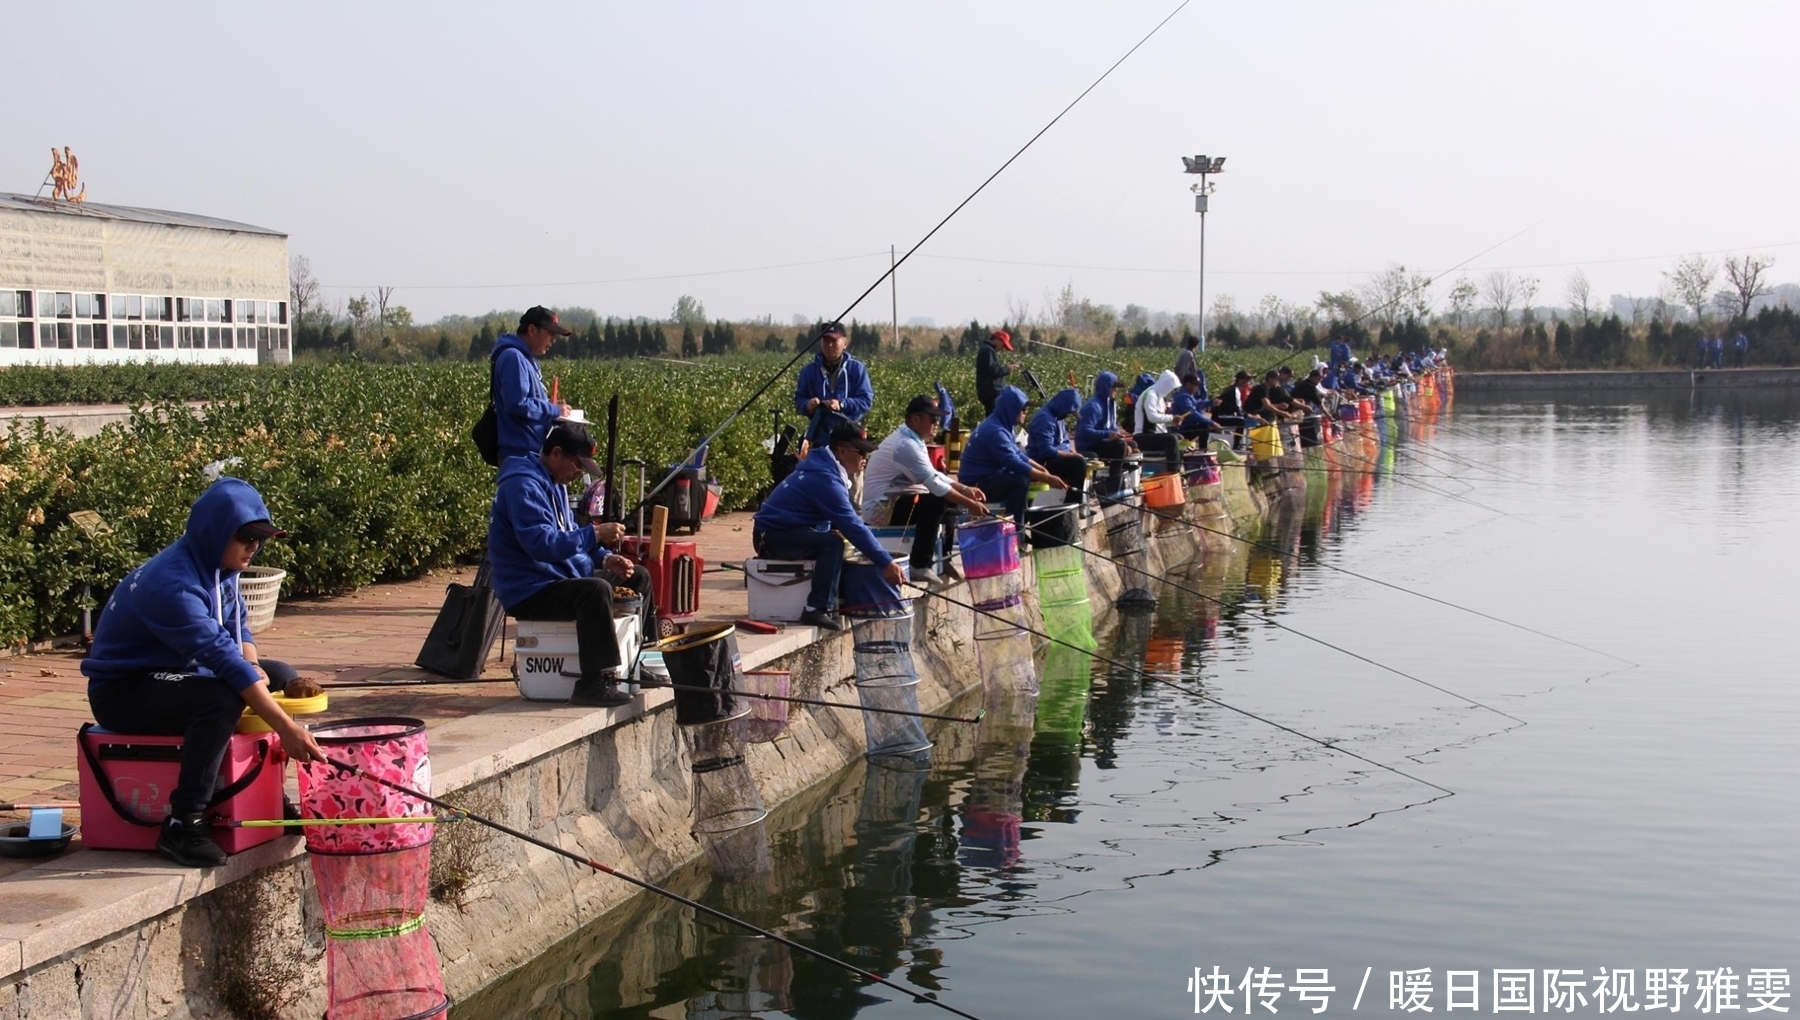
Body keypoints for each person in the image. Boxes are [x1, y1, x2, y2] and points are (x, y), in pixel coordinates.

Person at [81, 478, 327, 868]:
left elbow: (239, 631)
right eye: (246, 538)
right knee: (221, 699)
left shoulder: (219, 566)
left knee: (279, 674)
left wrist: (254, 665)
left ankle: (261, 792)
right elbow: (223, 661)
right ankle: (184, 821)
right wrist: (285, 728)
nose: (254, 547)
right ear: (215, 533)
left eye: (261, 539)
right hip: (124, 690)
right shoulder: (173, 586)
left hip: (179, 671)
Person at [490, 423, 654, 708]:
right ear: (556, 453)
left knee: (638, 577)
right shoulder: (522, 485)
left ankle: (639, 660)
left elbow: (569, 534)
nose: (579, 473)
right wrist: (595, 534)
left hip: (559, 576)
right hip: (530, 589)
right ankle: (593, 682)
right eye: (578, 465)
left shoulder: (556, 484)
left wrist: (604, 558)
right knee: (594, 591)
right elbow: (541, 544)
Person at [755, 422, 906, 630]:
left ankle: (836, 597)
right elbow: (852, 525)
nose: (865, 458)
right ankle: (815, 609)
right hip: (771, 537)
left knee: (836, 537)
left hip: (790, 531)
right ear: (842, 451)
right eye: (861, 452)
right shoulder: (825, 479)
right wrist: (885, 562)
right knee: (833, 544)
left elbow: (845, 521)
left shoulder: (825, 468)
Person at [862, 395, 989, 587]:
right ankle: (919, 564)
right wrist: (969, 503)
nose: (937, 423)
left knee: (950, 502)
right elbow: (935, 485)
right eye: (933, 418)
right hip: (880, 509)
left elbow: (935, 475)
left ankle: (944, 557)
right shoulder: (905, 445)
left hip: (899, 500)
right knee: (936, 500)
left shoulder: (915, 440)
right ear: (915, 419)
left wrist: (965, 490)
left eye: (938, 418)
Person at [958, 386, 1068, 521]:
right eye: (1023, 409)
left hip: (991, 477)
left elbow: (1018, 454)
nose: (1026, 412)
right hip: (975, 484)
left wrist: (1042, 471)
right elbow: (1013, 462)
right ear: (1011, 408)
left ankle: (1027, 518)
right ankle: (1015, 526)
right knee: (1020, 481)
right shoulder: (995, 431)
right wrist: (1047, 478)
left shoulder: (1004, 425)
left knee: (1029, 476)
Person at [491, 305, 574, 463]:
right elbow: (517, 404)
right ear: (532, 330)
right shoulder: (513, 358)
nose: (553, 340)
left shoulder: (524, 359)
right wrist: (554, 410)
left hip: (529, 452)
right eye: (550, 333)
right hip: (519, 455)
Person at [794, 321, 874, 447]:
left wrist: (842, 404)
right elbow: (799, 399)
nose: (829, 345)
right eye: (826, 340)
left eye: (834, 341)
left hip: (849, 437)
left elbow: (865, 400)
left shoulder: (856, 369)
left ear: (845, 343)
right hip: (819, 438)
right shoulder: (808, 371)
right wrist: (808, 404)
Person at [1075, 371, 1136, 493]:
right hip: (1088, 445)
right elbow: (1085, 432)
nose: (1116, 390)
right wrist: (1108, 435)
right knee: (1120, 447)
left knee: (1132, 444)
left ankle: (1122, 481)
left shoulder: (1110, 404)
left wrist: (1119, 435)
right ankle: (1113, 488)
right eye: (1114, 387)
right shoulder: (1093, 407)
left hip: (1101, 442)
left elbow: (1112, 426)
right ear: (1106, 388)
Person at [1025, 387, 1088, 503]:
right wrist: (1072, 456)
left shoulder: (1058, 417)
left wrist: (1072, 452)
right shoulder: (1044, 418)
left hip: (1056, 458)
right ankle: (1072, 501)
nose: (1068, 415)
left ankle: (1083, 498)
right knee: (1078, 463)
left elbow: (1064, 441)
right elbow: (1046, 451)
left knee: (1090, 456)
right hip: (1042, 462)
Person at [1133, 369, 1182, 472]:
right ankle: (1173, 472)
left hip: (1154, 435)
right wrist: (1172, 417)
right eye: (1171, 388)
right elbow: (1152, 417)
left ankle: (1177, 469)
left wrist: (1172, 422)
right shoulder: (1150, 395)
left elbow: (1160, 421)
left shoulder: (1160, 398)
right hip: (1143, 436)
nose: (1170, 391)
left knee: (1180, 438)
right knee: (1172, 440)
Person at [975, 329, 1018, 417]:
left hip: (991, 394)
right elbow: (994, 371)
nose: (1002, 348)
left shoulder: (987, 350)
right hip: (992, 394)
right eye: (1003, 345)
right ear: (998, 339)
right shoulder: (987, 351)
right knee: (995, 418)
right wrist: (1008, 368)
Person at [1169, 373, 1215, 440]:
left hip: (1187, 426)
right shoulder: (1183, 397)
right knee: (1204, 426)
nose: (1197, 388)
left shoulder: (1188, 395)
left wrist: (1211, 402)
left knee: (1203, 424)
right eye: (1195, 385)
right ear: (1188, 384)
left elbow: (1197, 404)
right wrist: (1212, 423)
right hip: (1181, 428)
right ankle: (1203, 446)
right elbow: (1192, 413)